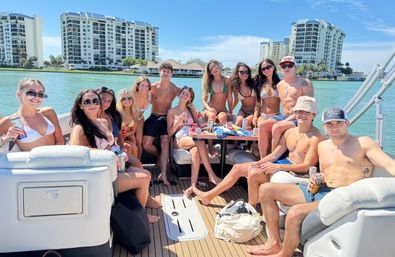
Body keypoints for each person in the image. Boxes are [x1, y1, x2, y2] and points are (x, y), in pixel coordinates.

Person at [246, 106, 395, 257]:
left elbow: (390, 165)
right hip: (319, 190)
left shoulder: (363, 143)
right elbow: (324, 173)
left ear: (347, 123)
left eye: (339, 122)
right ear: (324, 126)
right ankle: (274, 243)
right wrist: (315, 178)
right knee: (266, 190)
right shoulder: (322, 146)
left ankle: (284, 254)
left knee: (294, 213)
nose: (334, 127)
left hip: (339, 195)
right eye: (330, 124)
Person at [193, 96, 324, 206]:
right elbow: (275, 154)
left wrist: (278, 166)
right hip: (283, 164)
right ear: (295, 113)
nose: (302, 115)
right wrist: (260, 162)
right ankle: (209, 196)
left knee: (254, 173)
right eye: (300, 111)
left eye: (307, 112)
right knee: (239, 168)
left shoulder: (316, 138)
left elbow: (307, 166)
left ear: (314, 115)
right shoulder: (289, 132)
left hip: (295, 174)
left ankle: (251, 206)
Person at [69, 89, 160, 223]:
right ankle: (140, 218)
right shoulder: (80, 128)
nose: (92, 104)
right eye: (87, 101)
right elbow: (75, 157)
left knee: (144, 171)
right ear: (81, 106)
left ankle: (140, 208)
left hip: (113, 167)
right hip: (99, 177)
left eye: (95, 100)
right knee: (145, 177)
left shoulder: (102, 122)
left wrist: (119, 153)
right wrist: (107, 155)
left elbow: (112, 145)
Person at [167, 86, 222, 197]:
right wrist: (177, 123)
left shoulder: (191, 110)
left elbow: (199, 124)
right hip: (180, 139)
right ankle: (211, 175)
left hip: (192, 138)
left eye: (187, 94)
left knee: (196, 151)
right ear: (179, 95)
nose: (184, 95)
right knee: (200, 142)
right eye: (183, 93)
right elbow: (169, 133)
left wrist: (199, 117)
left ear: (190, 98)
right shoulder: (172, 111)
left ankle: (193, 185)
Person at [142, 62, 180, 186]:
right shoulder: (152, 87)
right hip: (153, 117)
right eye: (163, 71)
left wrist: (195, 115)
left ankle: (163, 173)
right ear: (159, 73)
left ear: (171, 74)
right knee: (146, 145)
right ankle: (161, 157)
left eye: (168, 71)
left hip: (166, 118)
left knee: (165, 142)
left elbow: (188, 98)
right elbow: (140, 96)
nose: (165, 73)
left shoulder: (175, 89)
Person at [0, 78, 63, 151]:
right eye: (31, 93)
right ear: (19, 94)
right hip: (32, 162)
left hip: (57, 158)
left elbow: (60, 141)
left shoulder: (48, 112)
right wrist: (4, 140)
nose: (36, 97)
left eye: (40, 94)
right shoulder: (11, 121)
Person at [271, 56, 314, 152]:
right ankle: (263, 155)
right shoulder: (279, 85)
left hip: (300, 118)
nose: (286, 68)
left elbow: (307, 106)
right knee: (263, 125)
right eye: (283, 66)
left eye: (289, 65)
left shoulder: (304, 82)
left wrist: (285, 121)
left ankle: (272, 157)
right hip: (284, 116)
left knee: (277, 127)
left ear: (295, 67)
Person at [253, 59, 282, 157]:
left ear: (273, 67)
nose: (266, 70)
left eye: (268, 67)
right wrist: (255, 117)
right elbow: (257, 104)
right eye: (263, 69)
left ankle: (268, 157)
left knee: (267, 130)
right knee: (261, 126)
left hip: (276, 116)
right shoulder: (259, 84)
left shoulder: (281, 84)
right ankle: (262, 158)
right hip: (263, 115)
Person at [202, 60, 233, 125]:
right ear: (210, 72)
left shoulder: (227, 80)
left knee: (222, 118)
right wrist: (209, 109)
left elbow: (229, 98)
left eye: (215, 66)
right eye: (211, 69)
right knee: (212, 116)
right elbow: (204, 100)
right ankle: (209, 132)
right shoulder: (208, 82)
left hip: (222, 110)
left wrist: (231, 112)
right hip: (210, 109)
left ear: (219, 67)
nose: (214, 69)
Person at [131, 76, 151, 159]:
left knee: (139, 142)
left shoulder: (149, 96)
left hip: (140, 119)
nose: (144, 88)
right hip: (131, 119)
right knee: (133, 141)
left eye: (147, 86)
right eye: (142, 85)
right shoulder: (132, 95)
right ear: (138, 85)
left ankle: (138, 162)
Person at [230, 62, 255, 128]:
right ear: (237, 73)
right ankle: (236, 138)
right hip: (243, 110)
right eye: (242, 72)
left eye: (247, 72)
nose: (245, 74)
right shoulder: (236, 87)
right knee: (238, 122)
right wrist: (230, 111)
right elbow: (236, 101)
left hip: (254, 112)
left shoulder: (254, 83)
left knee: (245, 122)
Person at [117, 89, 138, 157]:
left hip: (128, 136)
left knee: (134, 147)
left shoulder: (135, 113)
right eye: (124, 99)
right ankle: (128, 165)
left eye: (129, 98)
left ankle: (135, 165)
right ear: (120, 100)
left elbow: (133, 130)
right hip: (118, 138)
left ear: (133, 99)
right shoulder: (117, 112)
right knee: (128, 147)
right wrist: (123, 134)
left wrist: (127, 133)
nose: (127, 101)